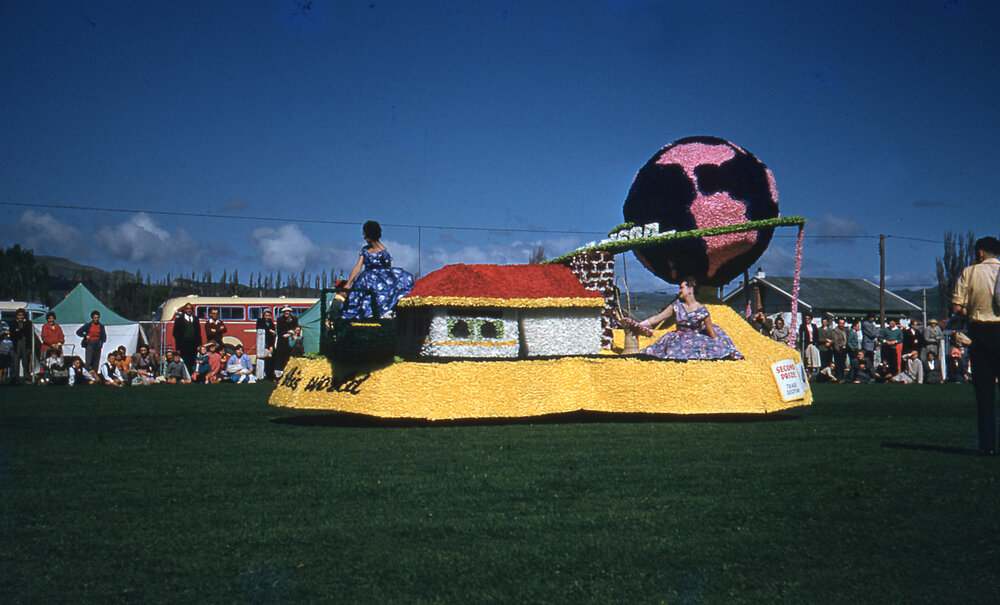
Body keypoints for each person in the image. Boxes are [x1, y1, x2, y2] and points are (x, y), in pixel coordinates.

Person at [951, 235, 1000, 455]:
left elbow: (957, 307)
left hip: (981, 331)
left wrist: (970, 310)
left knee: (985, 394)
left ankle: (987, 445)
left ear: (980, 252)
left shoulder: (969, 272)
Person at [637, 277, 743, 361]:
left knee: (714, 349)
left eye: (682, 287)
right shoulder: (676, 305)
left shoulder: (702, 310)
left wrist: (720, 344)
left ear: (690, 289)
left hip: (697, 338)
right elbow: (656, 319)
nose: (679, 291)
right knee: (668, 351)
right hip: (679, 338)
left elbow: (712, 333)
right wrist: (638, 325)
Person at [340, 220, 415, 319]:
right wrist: (349, 283)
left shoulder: (383, 252)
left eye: (365, 234)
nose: (364, 237)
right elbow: (358, 267)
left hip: (379, 282)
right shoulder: (365, 250)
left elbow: (388, 268)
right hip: (365, 280)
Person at [172, 303, 201, 374]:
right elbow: (175, 333)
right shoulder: (179, 320)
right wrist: (179, 343)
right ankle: (185, 375)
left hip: (193, 344)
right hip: (183, 344)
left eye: (190, 309)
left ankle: (192, 375)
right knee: (185, 360)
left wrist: (199, 344)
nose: (189, 310)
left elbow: (198, 332)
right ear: (184, 310)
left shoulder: (195, 319)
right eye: (187, 309)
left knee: (192, 360)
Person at [76, 310, 106, 374]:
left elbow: (103, 336)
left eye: (97, 317)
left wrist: (101, 343)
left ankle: (94, 375)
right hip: (90, 343)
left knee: (96, 361)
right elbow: (78, 332)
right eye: (95, 317)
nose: (96, 319)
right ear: (92, 317)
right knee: (89, 361)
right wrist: (85, 335)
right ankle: (85, 374)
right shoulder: (88, 325)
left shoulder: (101, 326)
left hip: (97, 344)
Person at [9, 308, 33, 384]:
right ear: (16, 316)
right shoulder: (13, 323)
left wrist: (29, 347)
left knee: (26, 362)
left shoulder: (28, 323)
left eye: (22, 315)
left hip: (25, 343)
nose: (20, 317)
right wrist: (17, 330)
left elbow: (29, 335)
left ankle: (27, 378)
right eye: (19, 315)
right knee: (15, 362)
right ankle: (15, 379)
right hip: (17, 343)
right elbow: (12, 334)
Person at [273, 306, 299, 376]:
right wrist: (287, 332)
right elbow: (279, 331)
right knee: (280, 357)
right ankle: (279, 374)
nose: (287, 312)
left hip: (291, 340)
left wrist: (292, 332)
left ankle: (290, 372)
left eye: (288, 311)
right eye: (285, 311)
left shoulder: (294, 319)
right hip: (282, 341)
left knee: (289, 356)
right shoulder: (280, 319)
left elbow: (296, 328)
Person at [255, 308, 277, 381]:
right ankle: (260, 376)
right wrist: (270, 330)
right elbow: (261, 329)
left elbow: (273, 334)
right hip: (262, 343)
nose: (267, 317)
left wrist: (271, 346)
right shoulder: (260, 321)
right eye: (266, 315)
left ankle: (269, 376)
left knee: (270, 360)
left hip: (269, 343)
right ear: (263, 315)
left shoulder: (271, 323)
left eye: (269, 315)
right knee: (262, 359)